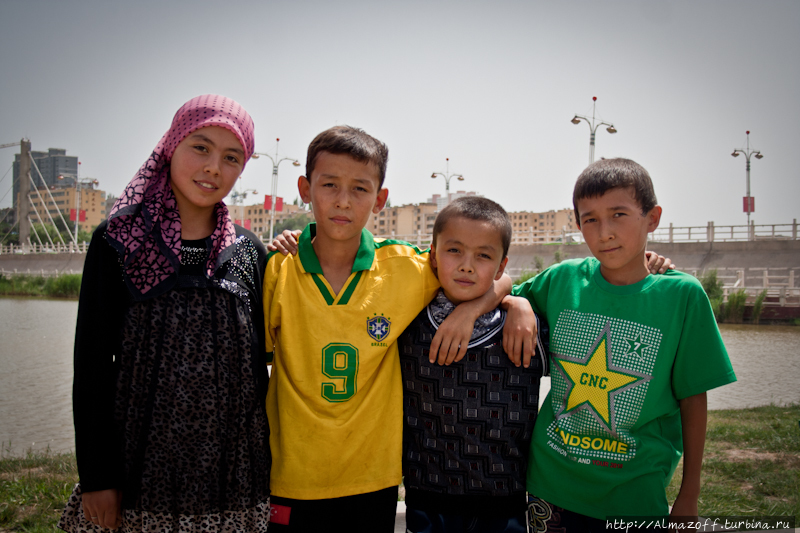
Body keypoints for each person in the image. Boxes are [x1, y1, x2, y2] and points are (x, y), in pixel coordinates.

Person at [262, 126, 537, 533]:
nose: (342, 200)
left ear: (380, 198)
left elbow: (483, 272)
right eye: (329, 185)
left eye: (359, 188)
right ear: (305, 188)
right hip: (292, 475)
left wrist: (496, 305)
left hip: (373, 479)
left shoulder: (407, 267)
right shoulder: (276, 270)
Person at [59, 95, 271, 533]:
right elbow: (92, 366)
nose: (214, 167)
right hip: (140, 470)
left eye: (231, 157)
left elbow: (265, 363)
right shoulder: (117, 243)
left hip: (235, 476)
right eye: (201, 147)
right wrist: (99, 477)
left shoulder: (251, 253)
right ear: (171, 145)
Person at [514, 158, 736, 531]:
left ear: (652, 218)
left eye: (619, 214)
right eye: (590, 219)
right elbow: (500, 289)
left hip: (634, 494)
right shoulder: (562, 280)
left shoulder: (682, 296)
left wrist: (689, 495)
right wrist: (519, 302)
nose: (604, 232)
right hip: (548, 485)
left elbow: (693, 398)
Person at [399, 197, 548, 533]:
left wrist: (518, 303)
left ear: (500, 266)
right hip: (428, 503)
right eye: (454, 251)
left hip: (506, 505)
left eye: (483, 255)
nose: (467, 265)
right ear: (433, 255)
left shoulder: (526, 328)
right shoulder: (407, 322)